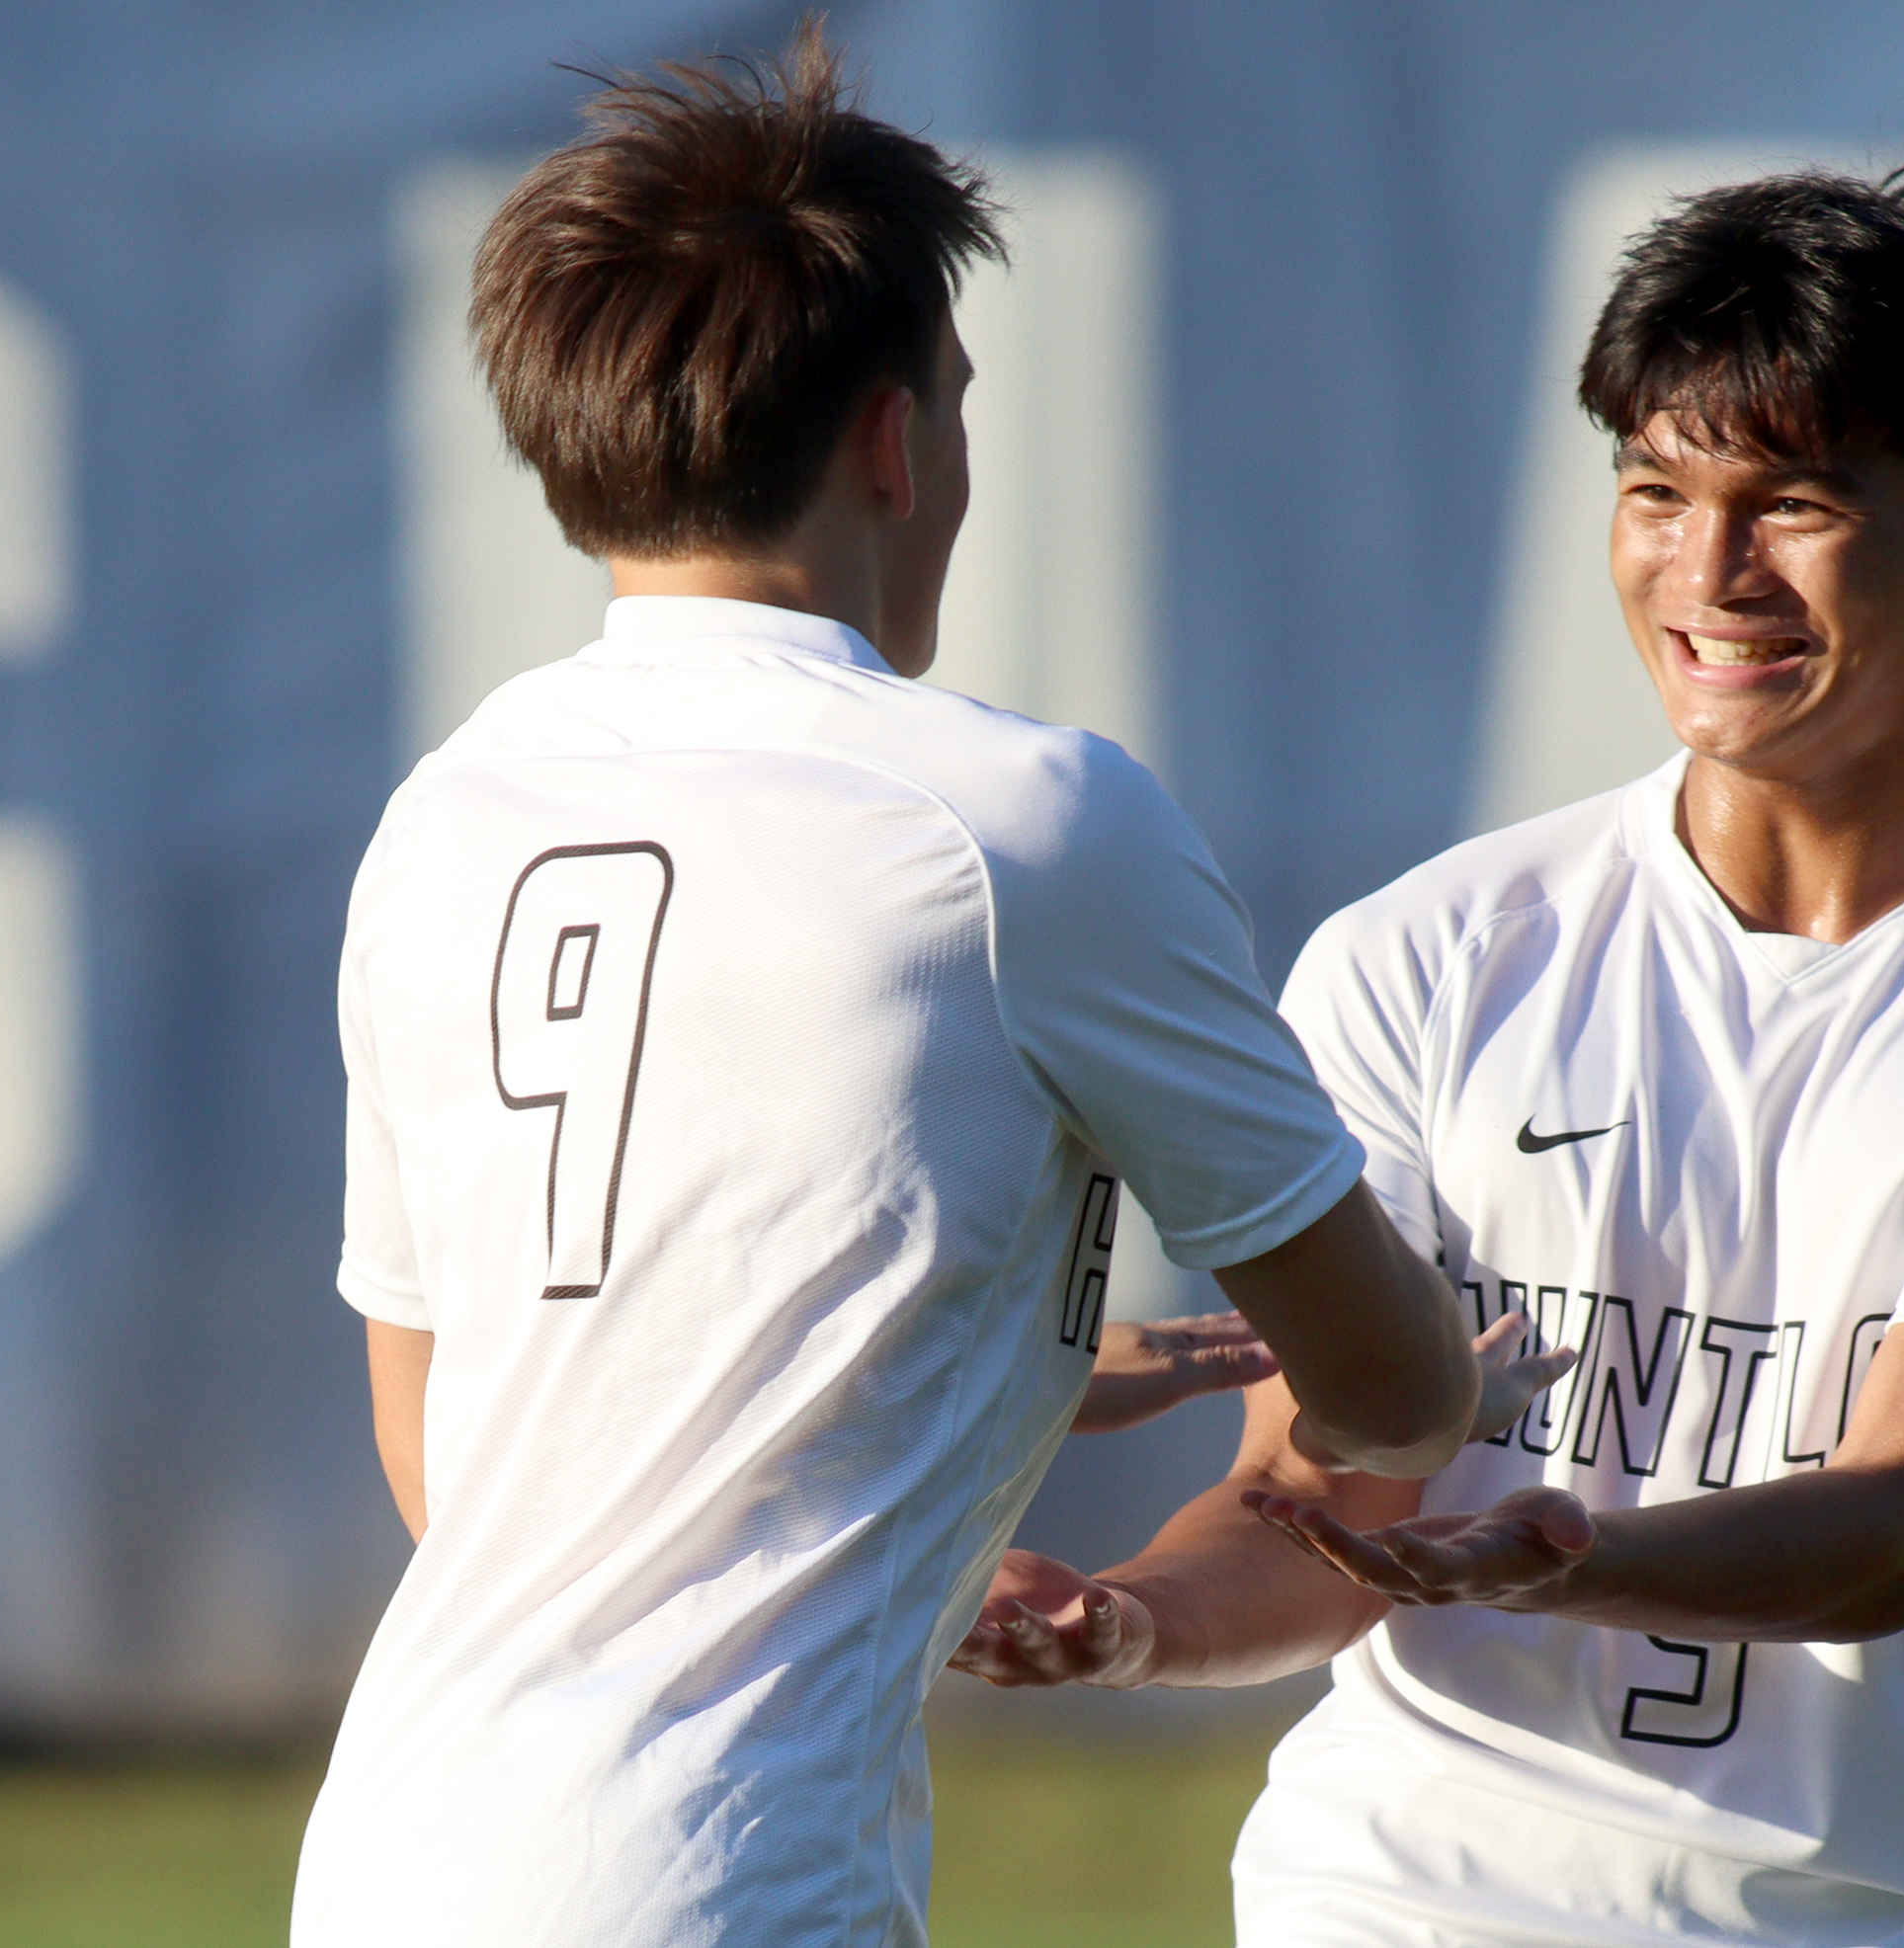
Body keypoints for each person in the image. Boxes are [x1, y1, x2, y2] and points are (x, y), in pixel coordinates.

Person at [290, 33, 1563, 1948]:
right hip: (718, 1883)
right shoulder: (1020, 820)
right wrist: (1466, 1365)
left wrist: (988, 1358)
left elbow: (444, 1452)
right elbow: (1385, 1392)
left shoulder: (445, 816)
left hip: (385, 1860)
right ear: (896, 440)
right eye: (955, 399)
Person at [952, 163, 1904, 1948]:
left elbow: (1899, 1525)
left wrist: (1571, 1553)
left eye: (1790, 502)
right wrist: (1127, 1622)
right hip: (1394, 1903)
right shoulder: (1428, 954)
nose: (1709, 571)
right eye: (1656, 491)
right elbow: (1310, 1496)